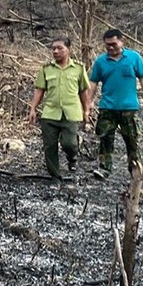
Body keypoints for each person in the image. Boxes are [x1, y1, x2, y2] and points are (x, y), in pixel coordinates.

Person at [88, 29, 143, 179]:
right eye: (107, 45)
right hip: (107, 107)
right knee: (105, 139)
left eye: (113, 44)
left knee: (132, 140)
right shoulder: (100, 61)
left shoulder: (133, 58)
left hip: (129, 108)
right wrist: (89, 103)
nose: (111, 48)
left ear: (121, 41)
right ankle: (104, 168)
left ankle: (136, 170)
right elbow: (93, 82)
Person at [27, 37, 91, 181]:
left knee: (69, 143)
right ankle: (55, 176)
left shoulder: (79, 69)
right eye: (53, 48)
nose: (55, 51)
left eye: (60, 48)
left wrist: (86, 110)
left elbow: (83, 92)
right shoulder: (46, 69)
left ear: (69, 50)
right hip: (50, 112)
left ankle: (72, 156)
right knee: (49, 146)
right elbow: (40, 90)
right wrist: (33, 109)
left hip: (71, 113)